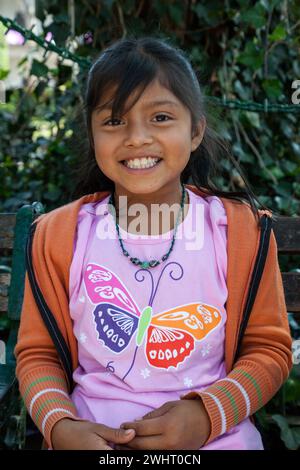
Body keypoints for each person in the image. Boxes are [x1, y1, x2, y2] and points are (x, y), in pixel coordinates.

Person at [15, 36, 292, 451]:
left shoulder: (239, 233)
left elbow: (268, 350)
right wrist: (60, 426)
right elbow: (37, 356)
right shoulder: (60, 236)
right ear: (92, 135)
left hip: (215, 440)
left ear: (195, 131)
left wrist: (208, 414)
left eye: (160, 117)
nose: (137, 137)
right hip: (90, 438)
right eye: (114, 121)